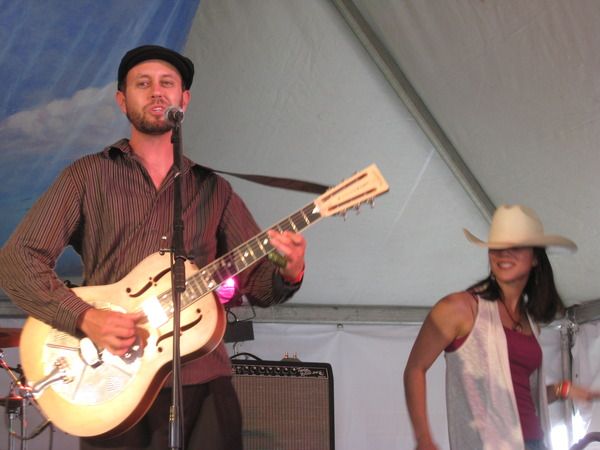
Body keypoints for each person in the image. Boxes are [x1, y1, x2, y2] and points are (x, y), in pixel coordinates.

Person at [0, 44, 307, 450]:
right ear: (122, 100)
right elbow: (17, 260)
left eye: (167, 83)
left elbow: (260, 286)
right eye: (142, 84)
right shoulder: (87, 176)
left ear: (184, 100)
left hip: (202, 380)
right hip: (113, 387)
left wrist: (288, 270)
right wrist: (85, 317)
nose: (157, 92)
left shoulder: (214, 189)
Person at [404, 204, 600, 450]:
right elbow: (415, 368)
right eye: (496, 247)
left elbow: (515, 399)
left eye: (515, 247)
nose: (503, 254)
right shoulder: (459, 308)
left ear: (535, 258)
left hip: (536, 443)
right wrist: (423, 438)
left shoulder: (529, 323)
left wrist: (563, 389)